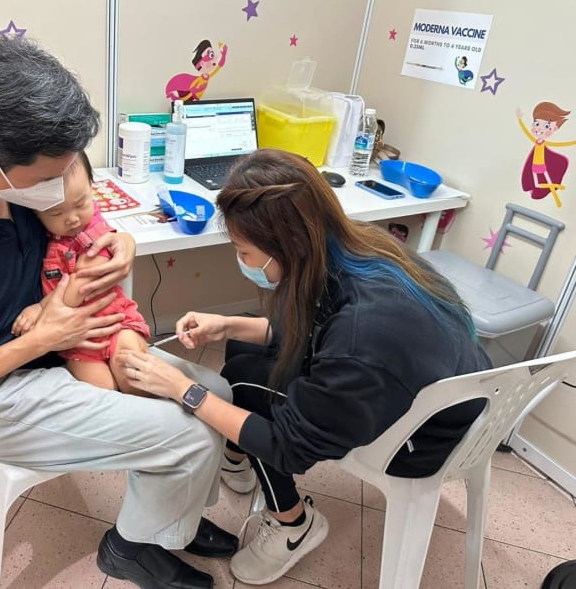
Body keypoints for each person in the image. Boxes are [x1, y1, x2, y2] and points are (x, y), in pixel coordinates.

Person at [0, 36, 238, 589]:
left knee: (217, 395)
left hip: (61, 347)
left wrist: (120, 241)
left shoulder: (21, 177)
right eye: (46, 180)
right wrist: (38, 341)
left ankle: (168, 515)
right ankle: (131, 548)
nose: (57, 191)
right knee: (188, 429)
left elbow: (81, 222)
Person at [115, 149, 492, 586]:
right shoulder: (364, 250)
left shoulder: (361, 336)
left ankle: (294, 524)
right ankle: (237, 458)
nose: (244, 262)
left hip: (421, 436)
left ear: (287, 246)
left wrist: (184, 389)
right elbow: (318, 329)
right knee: (240, 352)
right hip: (440, 392)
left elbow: (288, 446)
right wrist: (229, 324)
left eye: (244, 250)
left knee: (245, 387)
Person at [12, 150, 151, 395]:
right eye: (56, 213)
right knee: (103, 393)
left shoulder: (94, 231)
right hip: (78, 342)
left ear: (91, 187)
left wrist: (40, 309)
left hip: (117, 323)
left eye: (81, 203)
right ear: (35, 212)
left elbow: (83, 285)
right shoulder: (43, 237)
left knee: (132, 372)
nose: (73, 218)